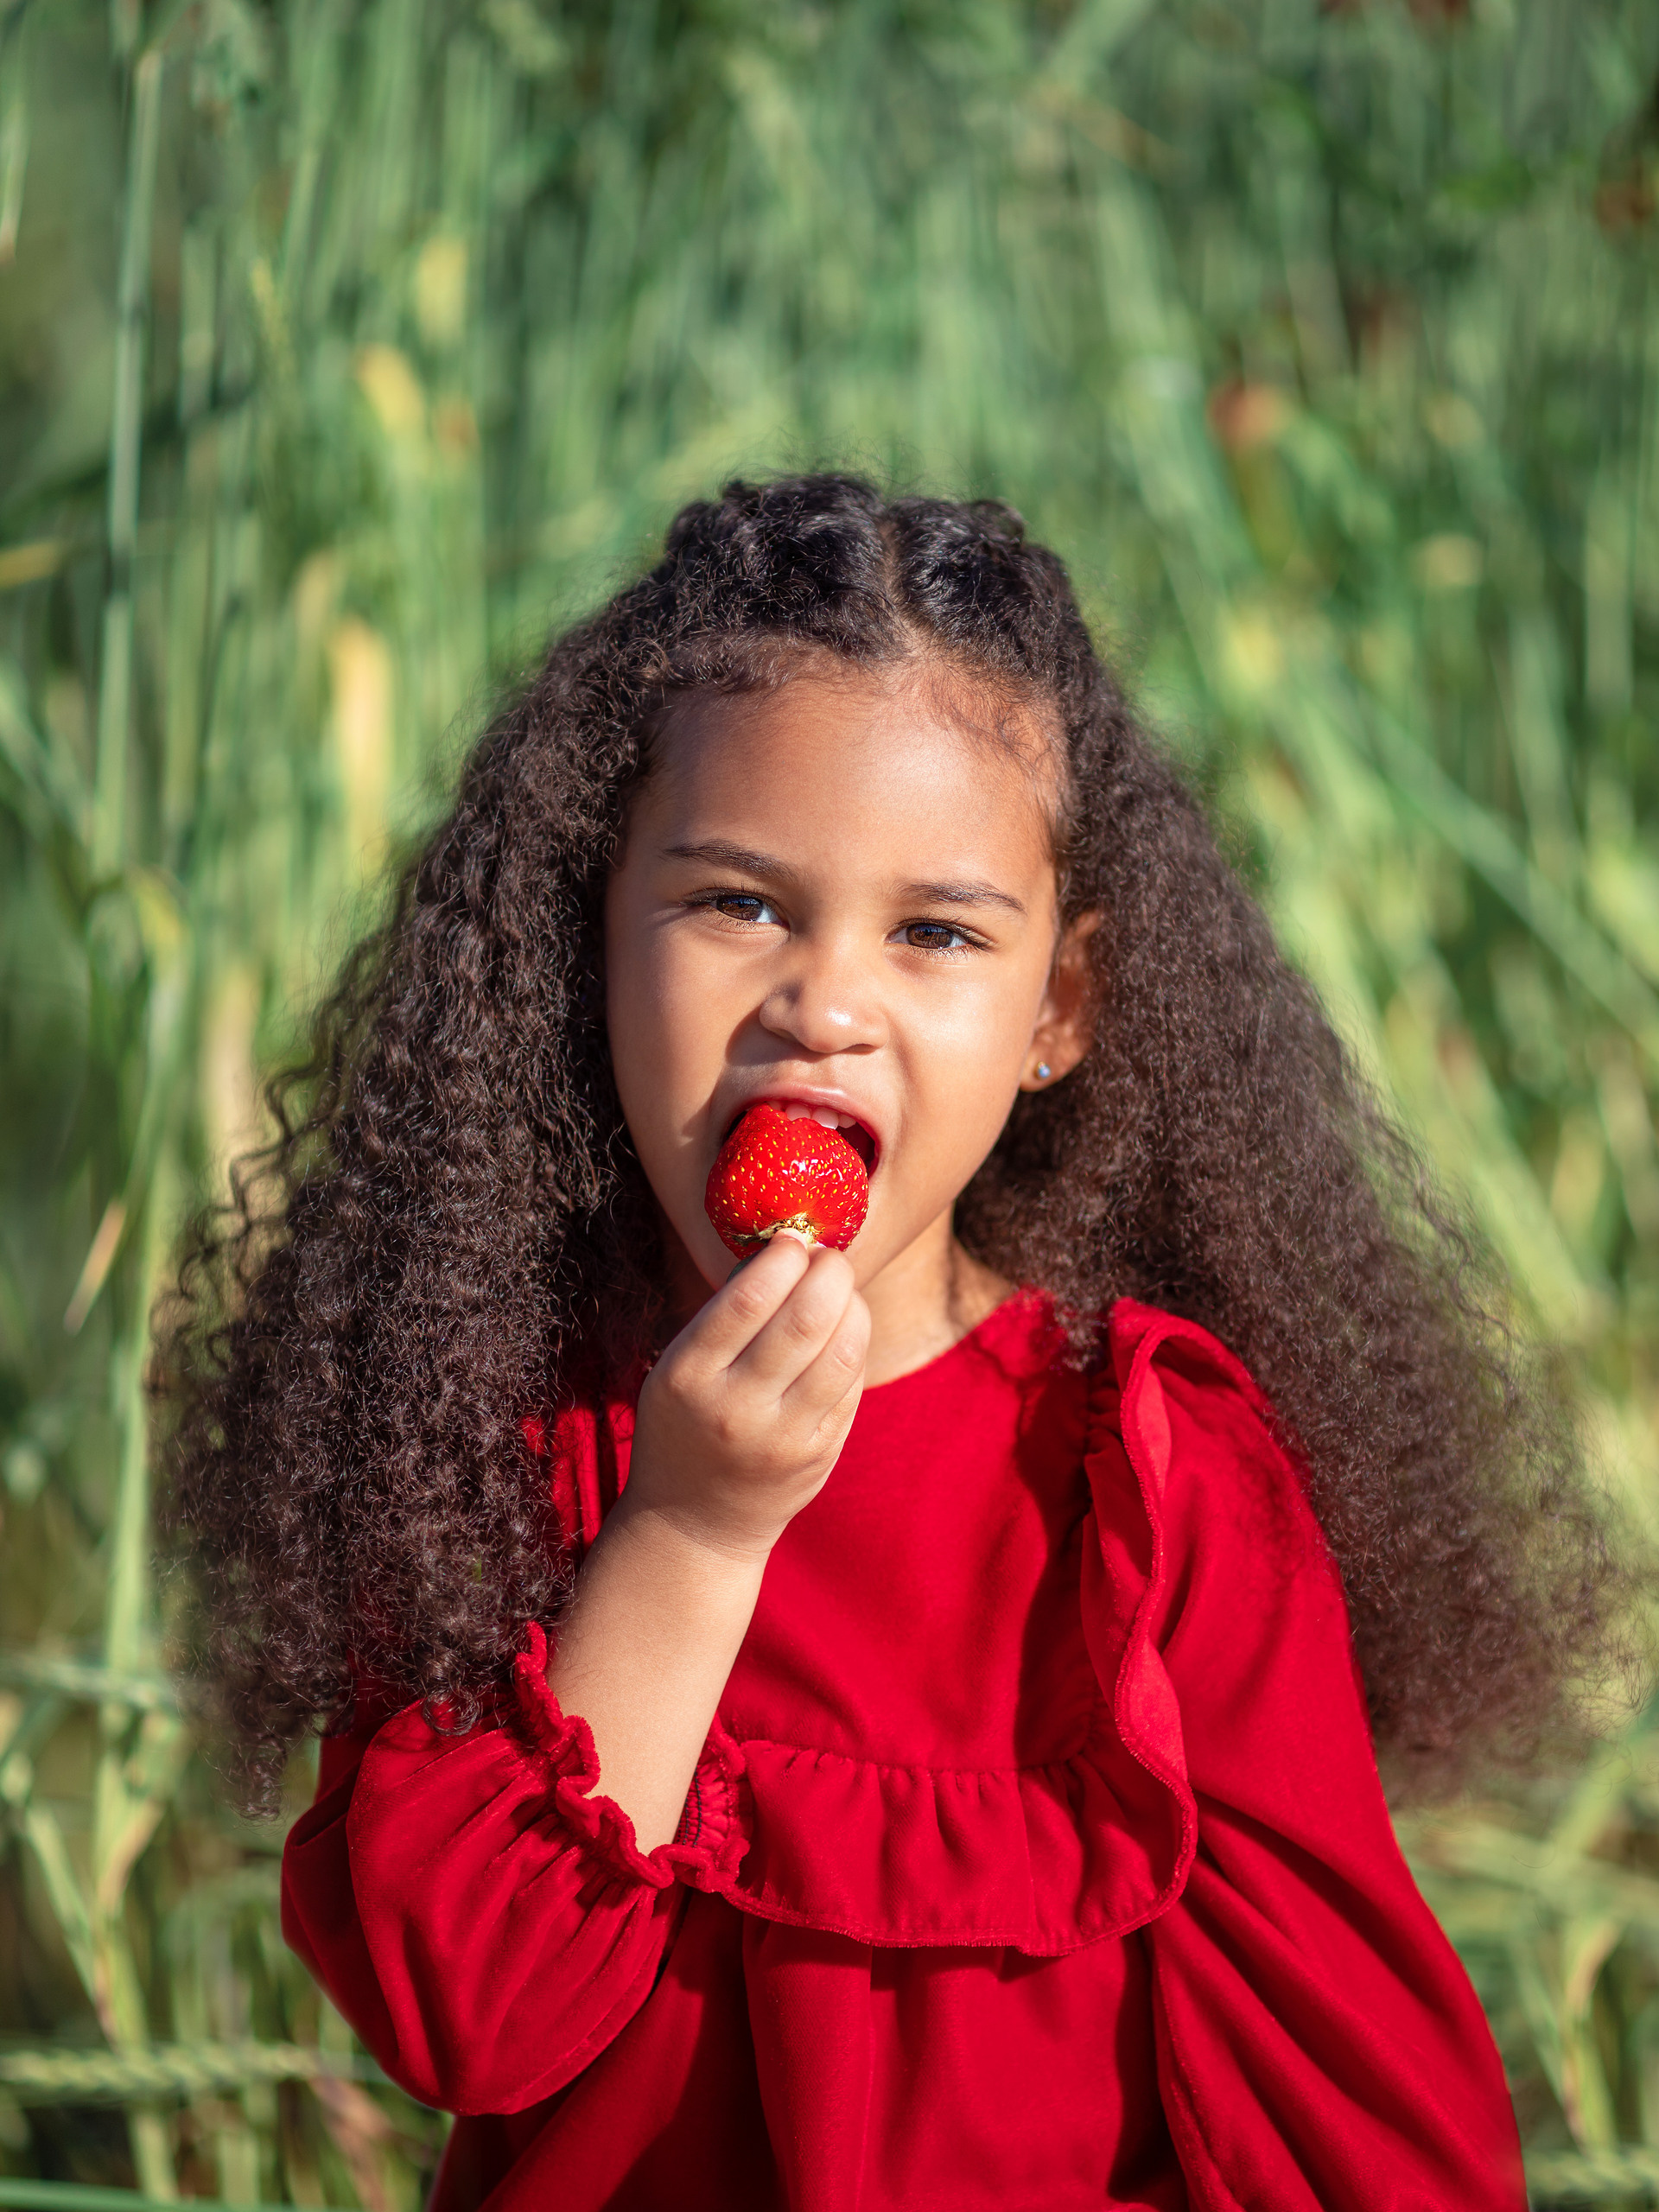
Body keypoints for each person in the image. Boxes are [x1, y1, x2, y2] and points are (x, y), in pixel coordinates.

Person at [163, 475, 1624, 2209]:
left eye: (934, 932)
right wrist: (692, 1530)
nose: (825, 1003)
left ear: (1057, 1012)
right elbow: (464, 2008)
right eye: (737, 904)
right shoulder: (483, 1429)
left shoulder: (1159, 1484)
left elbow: (1358, 2118)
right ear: (592, 937)